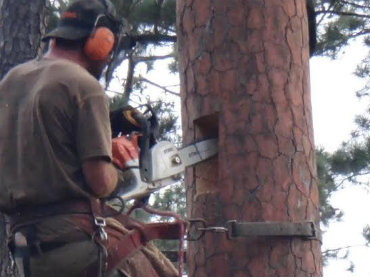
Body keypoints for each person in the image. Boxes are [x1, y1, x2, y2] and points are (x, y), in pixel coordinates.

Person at [0, 1, 178, 276]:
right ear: (101, 42)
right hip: (77, 247)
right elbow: (99, 181)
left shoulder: (10, 82)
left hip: (26, 251)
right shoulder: (84, 86)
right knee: (161, 269)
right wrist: (120, 169)